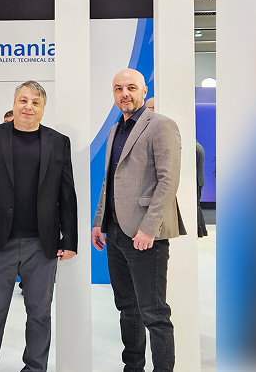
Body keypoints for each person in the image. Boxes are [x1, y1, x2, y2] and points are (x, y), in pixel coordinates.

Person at [0, 80, 78, 372]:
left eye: (35, 102)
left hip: (42, 244)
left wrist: (70, 239)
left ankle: (35, 368)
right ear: (14, 104)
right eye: (23, 101)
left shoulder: (58, 141)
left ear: (43, 109)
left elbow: (67, 192)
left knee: (39, 314)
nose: (28, 107)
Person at [91, 68, 185, 372]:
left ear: (144, 91)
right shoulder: (114, 130)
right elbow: (110, 181)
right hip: (115, 232)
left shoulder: (161, 125)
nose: (124, 94)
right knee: (127, 309)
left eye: (131, 87)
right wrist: (99, 221)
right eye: (118, 88)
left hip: (145, 236)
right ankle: (132, 368)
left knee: (154, 313)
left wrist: (148, 228)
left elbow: (168, 182)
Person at [196, 141, 208, 237]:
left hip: (197, 180)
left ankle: (200, 229)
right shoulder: (199, 147)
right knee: (197, 205)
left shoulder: (195, 148)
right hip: (200, 180)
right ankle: (202, 229)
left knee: (196, 205)